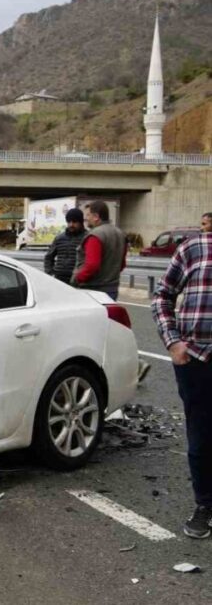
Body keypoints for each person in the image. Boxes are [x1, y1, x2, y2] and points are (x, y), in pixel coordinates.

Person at [152, 212, 212, 538]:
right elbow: (162, 296)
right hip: (196, 359)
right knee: (201, 436)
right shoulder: (192, 248)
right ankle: (205, 504)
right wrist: (173, 342)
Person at [71, 200, 126, 300]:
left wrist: (77, 279)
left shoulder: (95, 235)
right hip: (112, 288)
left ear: (96, 216)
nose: (85, 218)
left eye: (88, 215)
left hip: (93, 290)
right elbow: (122, 264)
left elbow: (92, 266)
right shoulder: (120, 233)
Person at [44, 208, 87, 284]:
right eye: (69, 221)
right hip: (59, 280)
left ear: (81, 222)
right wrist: (50, 273)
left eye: (74, 222)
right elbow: (48, 257)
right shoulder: (59, 238)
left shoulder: (87, 238)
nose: (71, 224)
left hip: (78, 281)